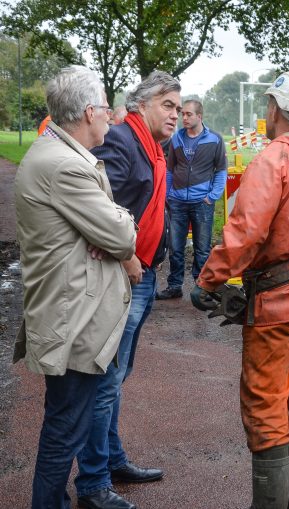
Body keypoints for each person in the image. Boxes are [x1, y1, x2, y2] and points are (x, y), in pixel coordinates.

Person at [192, 71, 289, 509]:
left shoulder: (274, 160)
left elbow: (245, 233)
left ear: (275, 110)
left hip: (277, 305)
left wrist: (209, 281)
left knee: (266, 405)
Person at [14, 65, 136, 509]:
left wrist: (102, 229)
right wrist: (112, 228)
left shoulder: (58, 155)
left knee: (67, 423)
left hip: (72, 312)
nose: (109, 115)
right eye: (105, 107)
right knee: (64, 428)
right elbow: (121, 235)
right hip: (73, 318)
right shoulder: (66, 166)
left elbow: (107, 228)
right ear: (88, 112)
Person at [74, 71, 181, 509]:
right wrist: (128, 256)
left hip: (143, 275)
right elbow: (100, 208)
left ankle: (112, 460)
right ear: (140, 106)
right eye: (168, 105)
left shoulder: (155, 146)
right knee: (104, 383)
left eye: (178, 107)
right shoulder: (121, 140)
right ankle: (93, 484)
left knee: (117, 380)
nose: (175, 113)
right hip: (123, 276)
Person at [156, 99, 227, 300]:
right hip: (177, 201)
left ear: (199, 116)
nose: (183, 117)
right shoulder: (176, 138)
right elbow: (170, 169)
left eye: (188, 114)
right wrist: (167, 194)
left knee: (202, 249)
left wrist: (212, 196)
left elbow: (221, 170)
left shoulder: (215, 139)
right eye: (182, 114)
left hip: (201, 203)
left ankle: (201, 289)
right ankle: (175, 286)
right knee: (175, 248)